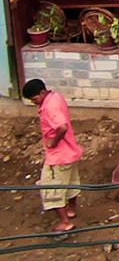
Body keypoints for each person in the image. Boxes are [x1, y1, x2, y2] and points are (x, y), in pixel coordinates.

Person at [25, 79, 82, 233]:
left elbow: (62, 127)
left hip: (58, 156)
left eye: (34, 99)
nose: (34, 103)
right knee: (71, 182)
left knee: (50, 187)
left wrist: (53, 142)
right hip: (70, 151)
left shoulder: (49, 108)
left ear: (42, 93)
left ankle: (65, 222)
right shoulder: (56, 97)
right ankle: (71, 209)